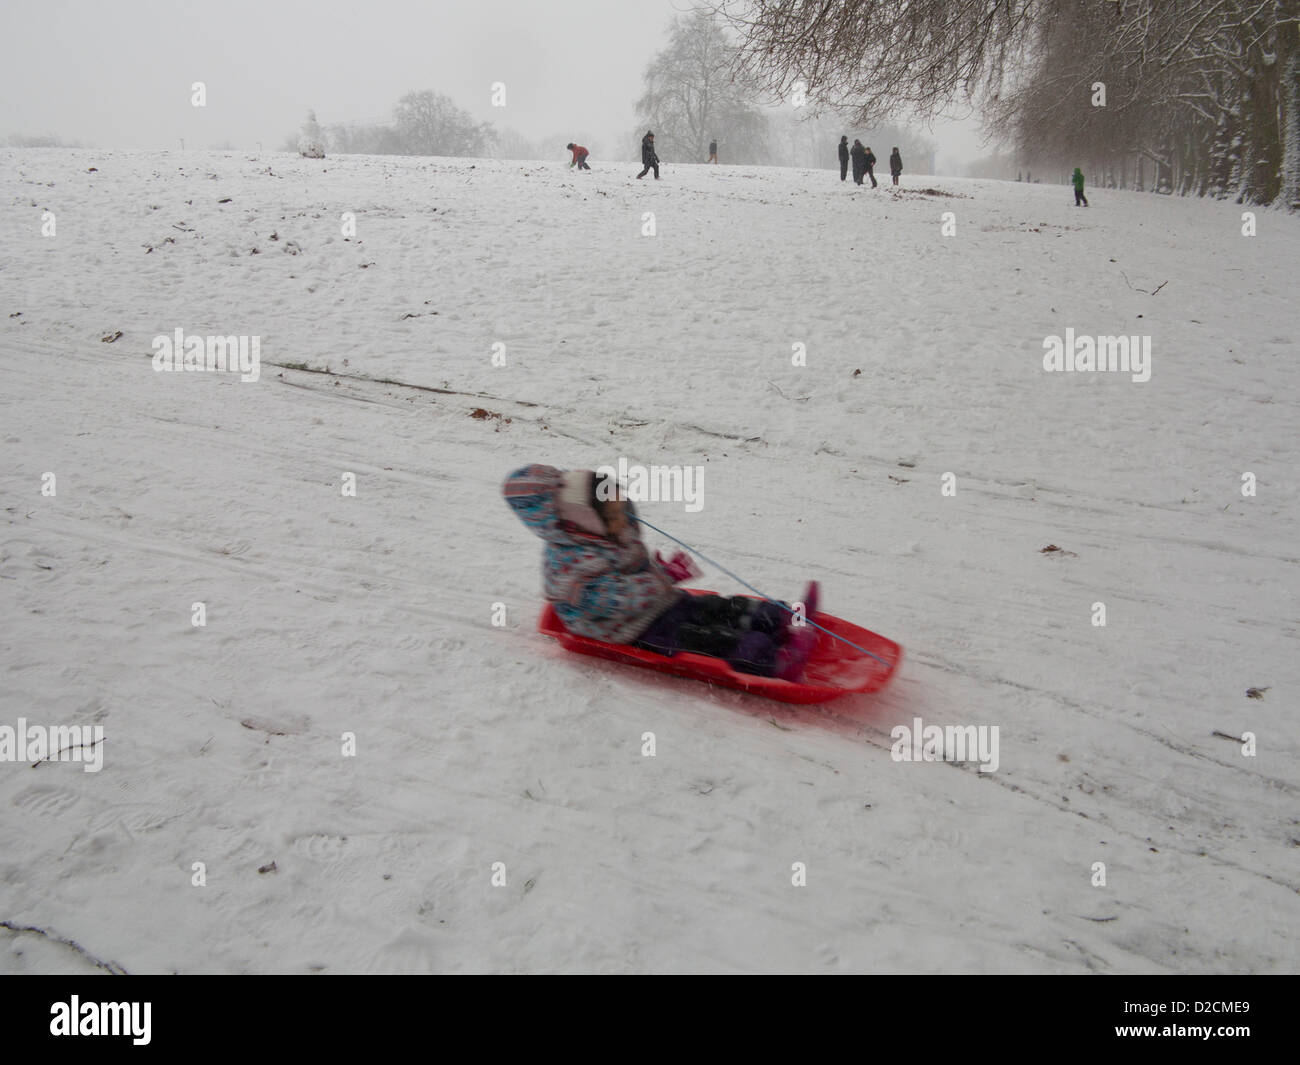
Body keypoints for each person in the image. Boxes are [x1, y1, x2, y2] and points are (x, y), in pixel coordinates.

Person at [503, 465, 817, 680]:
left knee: (714, 608)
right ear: (578, 520)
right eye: (613, 514)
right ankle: (774, 662)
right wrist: (663, 577)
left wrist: (659, 571)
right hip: (627, 627)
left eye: (619, 507)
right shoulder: (567, 569)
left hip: (658, 602)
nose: (621, 517)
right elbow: (619, 599)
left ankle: (782, 618)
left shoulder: (597, 530)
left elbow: (629, 562)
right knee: (704, 639)